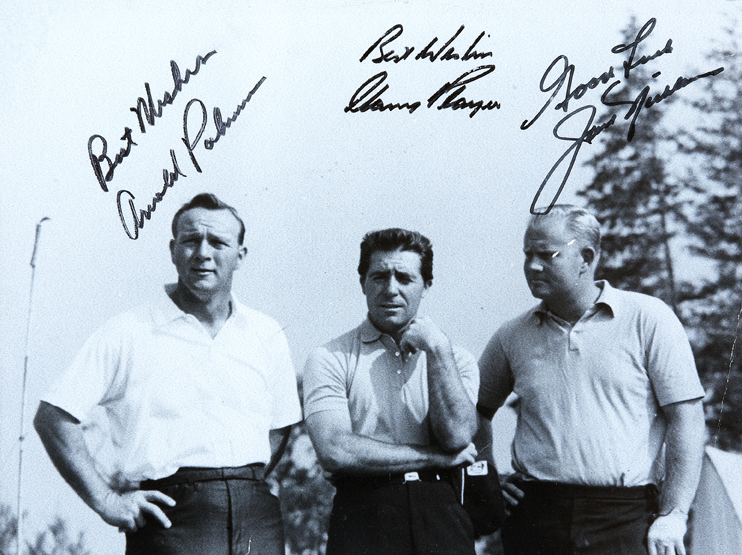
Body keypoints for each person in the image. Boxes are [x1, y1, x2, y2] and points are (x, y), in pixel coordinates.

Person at [34, 193, 302, 555]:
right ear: (173, 249)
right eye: (191, 240)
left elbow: (279, 428)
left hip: (257, 516)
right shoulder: (128, 331)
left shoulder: (266, 333)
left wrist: (237, 485)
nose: (203, 253)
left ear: (240, 255)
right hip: (172, 517)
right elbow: (54, 415)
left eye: (219, 242)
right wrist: (107, 501)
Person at [475, 205, 706, 555]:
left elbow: (686, 418)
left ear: (586, 257)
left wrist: (673, 514)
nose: (532, 266)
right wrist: (487, 477)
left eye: (546, 254)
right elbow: (475, 411)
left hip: (625, 519)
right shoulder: (512, 336)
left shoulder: (648, 318)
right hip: (536, 518)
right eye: (527, 254)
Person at [303, 228, 480, 555]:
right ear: (362, 283)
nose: (391, 289)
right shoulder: (329, 358)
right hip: (363, 514)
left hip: (441, 512)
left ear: (426, 285)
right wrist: (435, 457)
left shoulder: (455, 359)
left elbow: (457, 436)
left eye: (405, 278)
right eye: (380, 276)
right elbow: (335, 450)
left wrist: (438, 348)